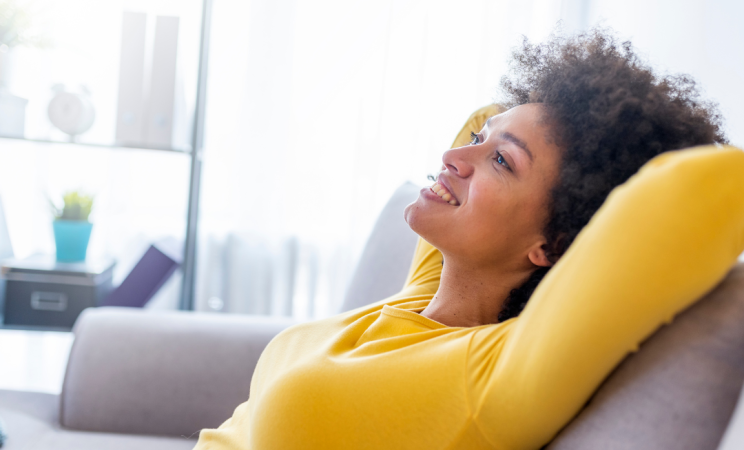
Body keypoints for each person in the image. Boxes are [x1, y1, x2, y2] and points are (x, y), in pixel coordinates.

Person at [194, 29, 744, 450]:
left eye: (500, 161)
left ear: (552, 245)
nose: (454, 158)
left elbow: (698, 191)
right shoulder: (421, 298)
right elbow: (478, 115)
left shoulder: (492, 375)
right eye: (480, 143)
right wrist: (516, 129)